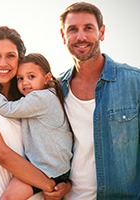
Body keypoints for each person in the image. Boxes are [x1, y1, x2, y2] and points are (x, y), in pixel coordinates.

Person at [0, 26, 70, 200]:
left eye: (10, 56)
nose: (3, 63)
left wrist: (64, 185)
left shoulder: (28, 96)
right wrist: (50, 185)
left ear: (20, 59)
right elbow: (2, 155)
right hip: (3, 195)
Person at [58, 2, 140, 199]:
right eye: (72, 29)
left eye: (88, 28)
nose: (81, 37)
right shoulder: (56, 89)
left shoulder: (134, 82)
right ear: (63, 36)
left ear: (101, 33)